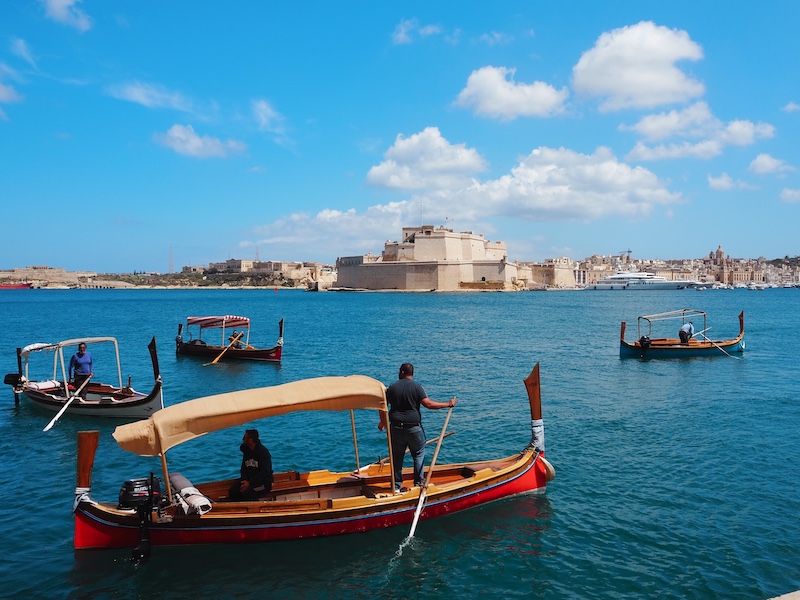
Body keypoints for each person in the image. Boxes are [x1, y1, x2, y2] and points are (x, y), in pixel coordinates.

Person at [378, 363, 456, 493]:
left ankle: (396, 486)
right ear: (411, 373)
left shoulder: (392, 387)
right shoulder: (417, 387)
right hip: (414, 428)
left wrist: (383, 423)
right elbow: (428, 404)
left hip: (396, 428)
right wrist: (448, 404)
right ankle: (419, 483)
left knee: (397, 457)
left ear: (402, 372)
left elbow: (382, 407)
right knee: (419, 454)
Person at [228, 429, 273, 501]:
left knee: (247, 492)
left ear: (250, 440)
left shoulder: (263, 452)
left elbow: (265, 471)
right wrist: (244, 480)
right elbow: (243, 468)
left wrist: (250, 482)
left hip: (263, 483)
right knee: (233, 491)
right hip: (249, 480)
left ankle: (255, 508)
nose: (242, 440)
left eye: (244, 438)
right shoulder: (247, 451)